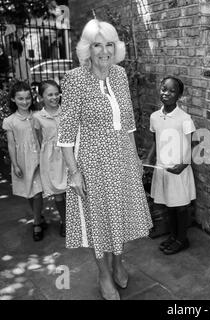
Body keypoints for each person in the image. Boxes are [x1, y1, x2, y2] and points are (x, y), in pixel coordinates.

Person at [57, 19, 153, 300]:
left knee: (119, 214)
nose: (104, 51)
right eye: (97, 45)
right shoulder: (75, 79)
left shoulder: (120, 75)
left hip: (121, 156)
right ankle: (103, 272)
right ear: (87, 48)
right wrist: (74, 172)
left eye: (109, 44)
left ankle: (118, 261)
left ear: (116, 48)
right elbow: (65, 134)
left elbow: (128, 121)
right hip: (91, 161)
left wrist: (135, 157)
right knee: (98, 220)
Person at [146, 76, 196, 255]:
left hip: (179, 169)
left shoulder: (184, 118)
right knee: (168, 204)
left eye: (172, 91)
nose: (166, 93)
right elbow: (155, 140)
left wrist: (183, 165)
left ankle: (182, 239)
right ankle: (174, 236)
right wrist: (150, 159)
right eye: (164, 89)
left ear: (179, 95)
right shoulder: (155, 117)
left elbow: (192, 145)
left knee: (180, 206)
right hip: (163, 168)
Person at [2, 81, 45, 241]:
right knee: (29, 192)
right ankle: (38, 216)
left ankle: (36, 223)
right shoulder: (10, 121)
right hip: (22, 160)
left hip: (39, 157)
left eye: (27, 98)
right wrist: (15, 164)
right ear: (13, 99)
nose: (25, 102)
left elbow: (42, 136)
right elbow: (11, 144)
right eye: (20, 98)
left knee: (38, 192)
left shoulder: (37, 115)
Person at [33, 80, 67, 237]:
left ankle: (78, 221)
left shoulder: (66, 112)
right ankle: (65, 222)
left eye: (56, 94)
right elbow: (39, 140)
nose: (54, 97)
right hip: (51, 159)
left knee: (74, 189)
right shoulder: (38, 117)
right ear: (41, 97)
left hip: (69, 155)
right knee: (58, 192)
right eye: (49, 94)